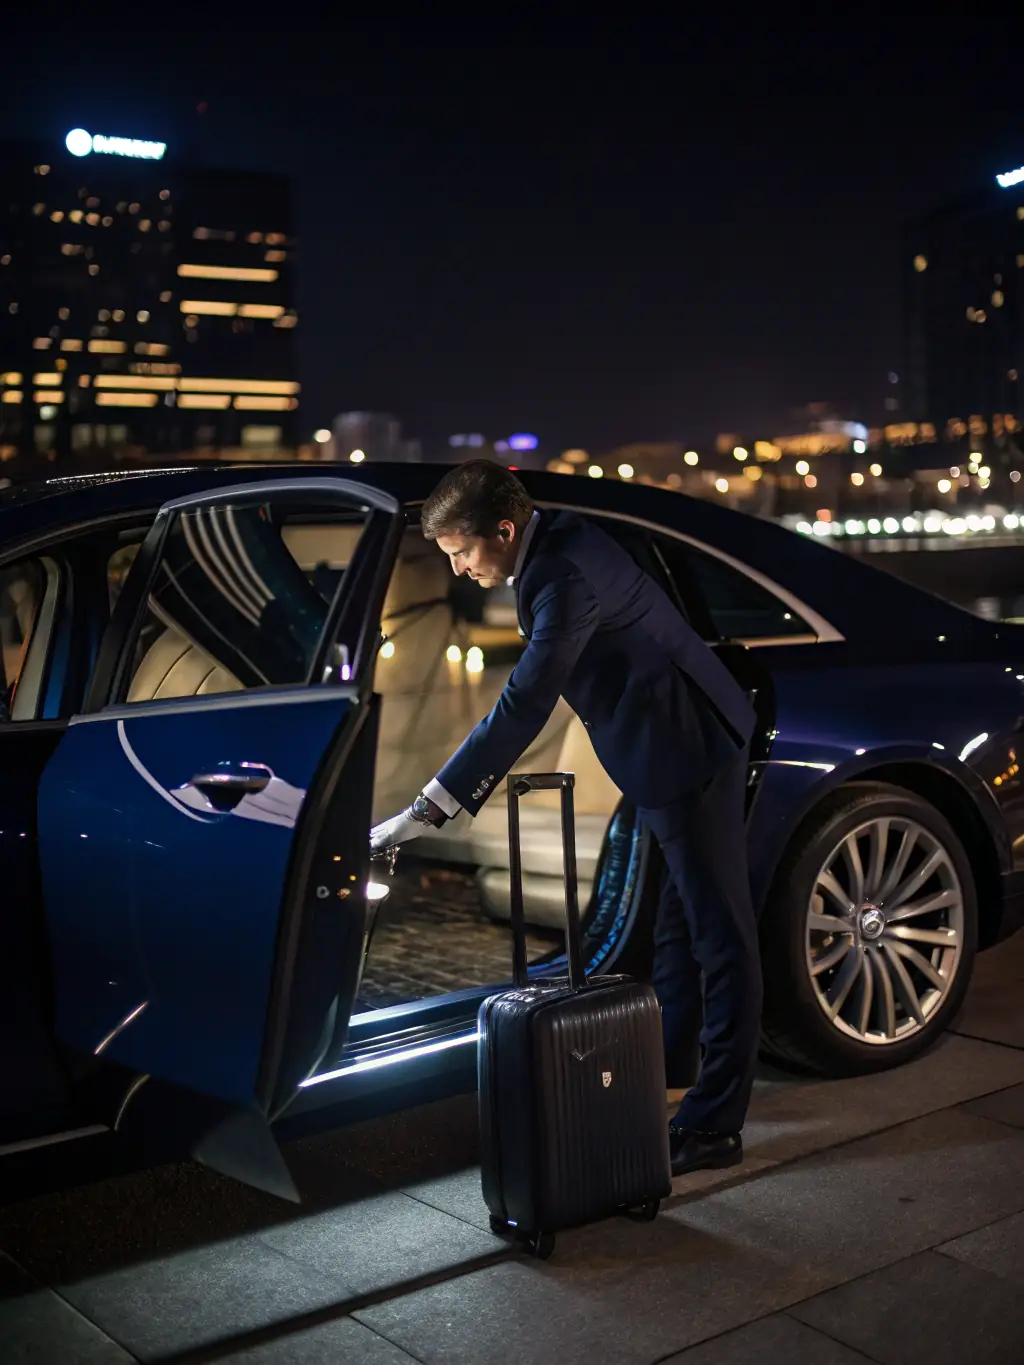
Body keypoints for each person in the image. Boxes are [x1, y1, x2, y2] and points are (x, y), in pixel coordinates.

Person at [370, 459, 762, 1175]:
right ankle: (676, 1080)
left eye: (461, 552)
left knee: (722, 936)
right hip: (661, 750)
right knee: (674, 932)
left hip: (688, 750)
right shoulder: (559, 546)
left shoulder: (561, 575)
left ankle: (718, 1123)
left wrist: (425, 809)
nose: (458, 571)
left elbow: (523, 702)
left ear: (505, 530)